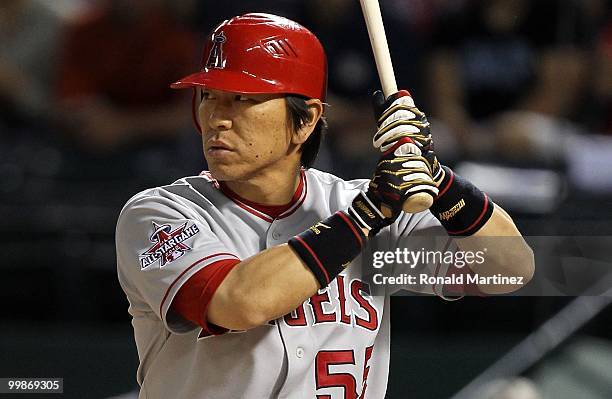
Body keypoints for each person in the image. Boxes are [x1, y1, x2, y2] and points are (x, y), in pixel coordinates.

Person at [116, 13, 534, 398]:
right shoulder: (162, 212)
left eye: (243, 99)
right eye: (209, 95)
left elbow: (510, 269)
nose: (217, 118)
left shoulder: (358, 208)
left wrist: (439, 180)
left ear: (306, 119)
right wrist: (368, 214)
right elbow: (238, 303)